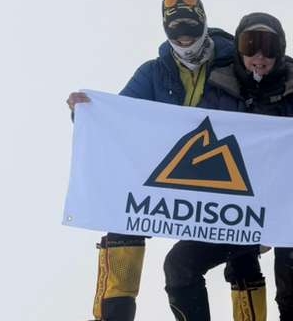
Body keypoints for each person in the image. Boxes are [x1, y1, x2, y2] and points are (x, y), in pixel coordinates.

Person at [64, 1, 267, 320]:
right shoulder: (153, 72)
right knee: (124, 215)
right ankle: (113, 315)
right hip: (173, 179)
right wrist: (87, 114)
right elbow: (119, 117)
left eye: (190, 31)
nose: (184, 40)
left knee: (238, 249)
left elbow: (271, 100)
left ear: (202, 25)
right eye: (176, 33)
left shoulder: (234, 65)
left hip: (224, 181)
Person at [163, 12, 293, 321]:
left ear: (281, 50)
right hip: (237, 211)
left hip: (289, 210)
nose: (259, 56)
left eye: (269, 47)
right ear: (238, 49)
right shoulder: (219, 89)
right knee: (180, 263)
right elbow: (194, 140)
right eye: (249, 44)